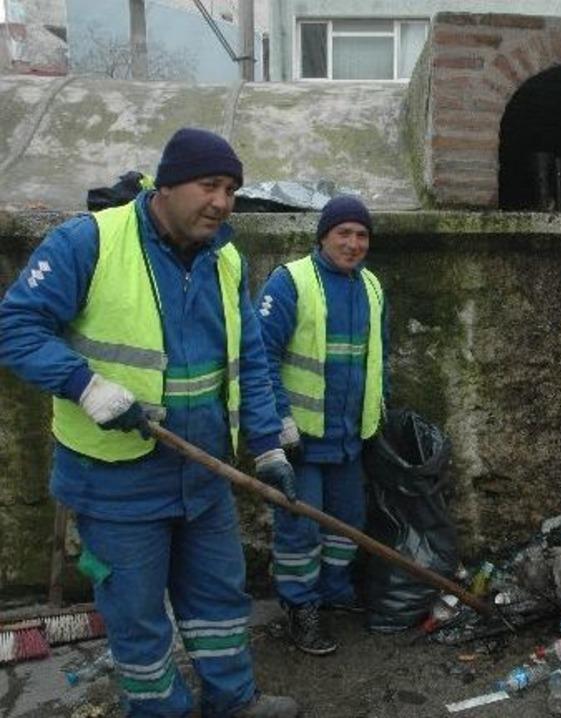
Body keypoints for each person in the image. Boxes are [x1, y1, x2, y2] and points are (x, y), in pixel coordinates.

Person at [0, 128, 299, 717]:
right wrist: (85, 385)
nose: (221, 202)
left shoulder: (226, 259)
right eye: (209, 185)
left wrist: (268, 445)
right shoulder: (89, 242)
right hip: (115, 480)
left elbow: (249, 359)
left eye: (231, 189)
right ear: (167, 184)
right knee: (137, 618)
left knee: (219, 600)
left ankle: (233, 701)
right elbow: (15, 327)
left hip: (204, 476)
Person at [256, 196, 389, 655]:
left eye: (362, 235)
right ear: (323, 237)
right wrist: (279, 421)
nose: (353, 243)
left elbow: (378, 360)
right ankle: (300, 606)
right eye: (343, 233)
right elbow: (260, 358)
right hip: (301, 439)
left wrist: (375, 419)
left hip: (348, 437)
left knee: (347, 523)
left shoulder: (371, 286)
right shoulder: (290, 282)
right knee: (300, 529)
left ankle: (334, 592)